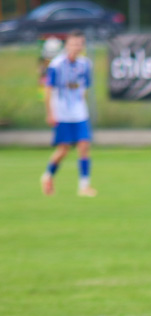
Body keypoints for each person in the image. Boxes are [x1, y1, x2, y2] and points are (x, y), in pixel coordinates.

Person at [40, 30, 97, 198]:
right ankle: (48, 175)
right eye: (73, 43)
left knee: (84, 145)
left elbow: (85, 86)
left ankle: (84, 186)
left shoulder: (85, 64)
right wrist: (50, 113)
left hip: (79, 111)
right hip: (62, 112)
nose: (76, 47)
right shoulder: (56, 65)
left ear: (83, 46)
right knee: (63, 149)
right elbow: (48, 90)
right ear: (67, 45)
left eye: (79, 44)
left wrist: (80, 102)